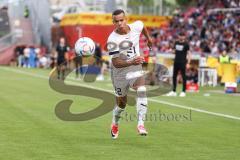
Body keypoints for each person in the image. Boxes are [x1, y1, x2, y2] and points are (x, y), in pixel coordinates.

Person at [107, 9, 153, 139]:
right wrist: (131, 60)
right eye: (116, 21)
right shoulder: (112, 39)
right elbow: (116, 62)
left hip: (135, 66)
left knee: (142, 89)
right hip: (119, 72)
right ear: (113, 22)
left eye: (122, 20)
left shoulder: (136, 26)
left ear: (126, 19)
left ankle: (141, 124)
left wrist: (148, 39)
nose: (120, 23)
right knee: (122, 104)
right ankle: (115, 123)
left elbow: (143, 26)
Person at [166, 32, 191, 97]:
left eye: (182, 35)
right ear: (178, 36)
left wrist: (188, 63)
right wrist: (171, 51)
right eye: (180, 35)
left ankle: (183, 91)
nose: (181, 37)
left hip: (183, 62)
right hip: (176, 61)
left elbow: (189, 54)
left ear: (184, 37)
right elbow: (174, 51)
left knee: (183, 76)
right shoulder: (176, 43)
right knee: (174, 76)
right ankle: (173, 91)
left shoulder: (186, 44)